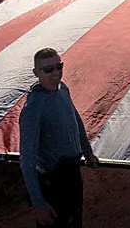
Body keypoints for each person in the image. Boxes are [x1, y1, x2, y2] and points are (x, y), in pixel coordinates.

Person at [19, 47, 100, 227]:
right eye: (48, 69)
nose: (55, 73)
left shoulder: (62, 88)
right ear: (36, 73)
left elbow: (75, 119)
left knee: (75, 220)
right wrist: (38, 203)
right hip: (53, 181)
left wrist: (87, 152)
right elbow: (27, 158)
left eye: (59, 66)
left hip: (71, 174)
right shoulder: (33, 108)